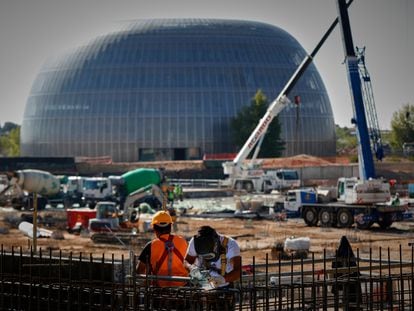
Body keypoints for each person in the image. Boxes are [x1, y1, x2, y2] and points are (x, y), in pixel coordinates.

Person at [136, 210, 188, 287]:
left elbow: (139, 271)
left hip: (159, 290)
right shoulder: (183, 242)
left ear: (154, 228)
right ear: (170, 226)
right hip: (182, 287)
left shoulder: (151, 245)